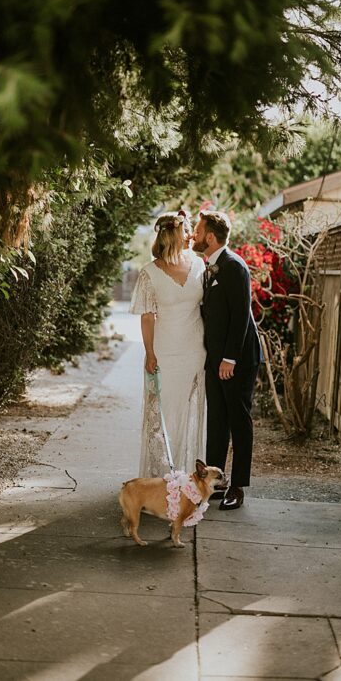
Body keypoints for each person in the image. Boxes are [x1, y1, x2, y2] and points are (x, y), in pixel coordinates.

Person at [192, 210, 263, 510]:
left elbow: (240, 319)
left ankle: (238, 486)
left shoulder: (235, 267)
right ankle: (215, 483)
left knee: (238, 420)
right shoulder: (210, 267)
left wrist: (230, 359)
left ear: (210, 237)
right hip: (215, 360)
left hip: (237, 360)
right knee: (217, 422)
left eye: (196, 231)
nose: (193, 236)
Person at [129, 210, 207, 479]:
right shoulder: (149, 273)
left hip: (195, 351)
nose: (191, 235)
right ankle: (159, 477)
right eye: (186, 231)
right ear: (174, 235)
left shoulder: (200, 266)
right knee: (163, 413)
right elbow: (147, 317)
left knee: (189, 411)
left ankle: (187, 476)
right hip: (163, 353)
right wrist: (149, 352)